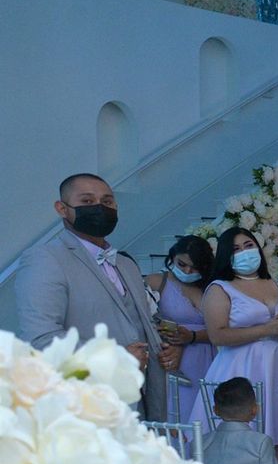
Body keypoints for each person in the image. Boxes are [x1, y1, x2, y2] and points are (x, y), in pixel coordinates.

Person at [12, 173, 178, 418]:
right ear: (62, 209)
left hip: (138, 405)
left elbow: (136, 323)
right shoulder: (45, 259)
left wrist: (163, 350)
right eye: (87, 201)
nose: (100, 208)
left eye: (107, 202)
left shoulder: (125, 264)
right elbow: (41, 340)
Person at [197, 227, 278, 464]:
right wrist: (267, 329)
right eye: (235, 249)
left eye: (248, 245)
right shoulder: (220, 288)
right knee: (243, 445)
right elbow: (217, 335)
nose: (244, 253)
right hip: (243, 369)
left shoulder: (277, 283)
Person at [152, 235, 217, 415]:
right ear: (172, 257)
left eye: (194, 267)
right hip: (172, 357)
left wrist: (193, 336)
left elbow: (224, 327)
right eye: (182, 264)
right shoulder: (157, 281)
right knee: (177, 410)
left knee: (206, 411)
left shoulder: (211, 287)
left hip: (208, 357)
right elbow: (143, 321)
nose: (188, 271)